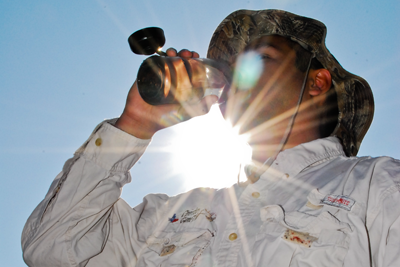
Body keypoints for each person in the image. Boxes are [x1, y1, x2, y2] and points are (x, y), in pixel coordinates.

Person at [22, 9, 400, 267]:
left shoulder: (375, 184)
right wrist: (136, 123)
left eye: (258, 60)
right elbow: (51, 248)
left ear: (316, 82)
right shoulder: (174, 215)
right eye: (231, 70)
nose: (237, 78)